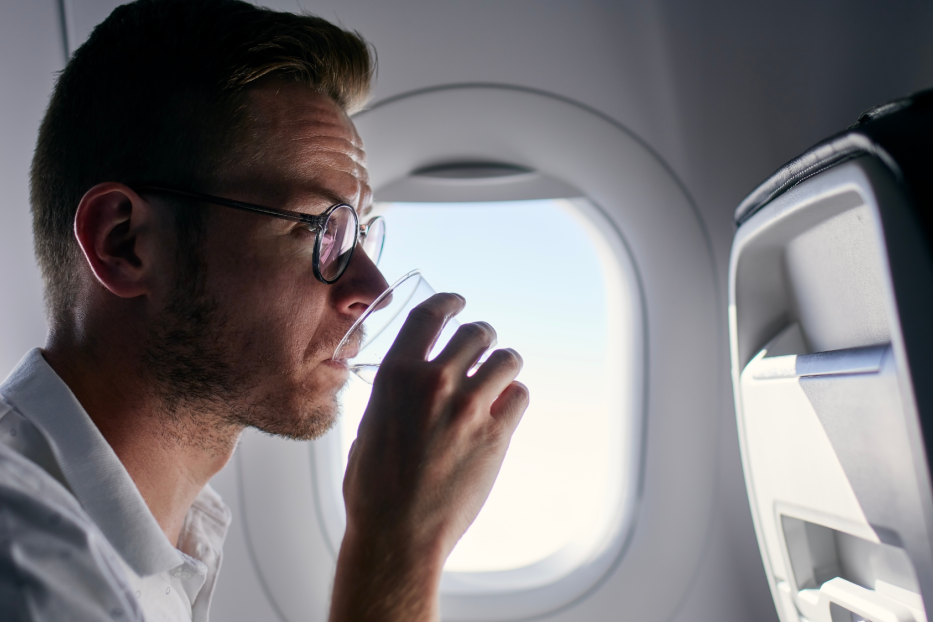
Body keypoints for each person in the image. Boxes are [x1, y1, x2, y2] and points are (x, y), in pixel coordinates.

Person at [0, 0, 529, 620]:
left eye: (360, 234)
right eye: (319, 231)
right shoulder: (28, 561)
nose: (374, 288)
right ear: (126, 245)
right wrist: (398, 544)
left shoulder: (168, 540)